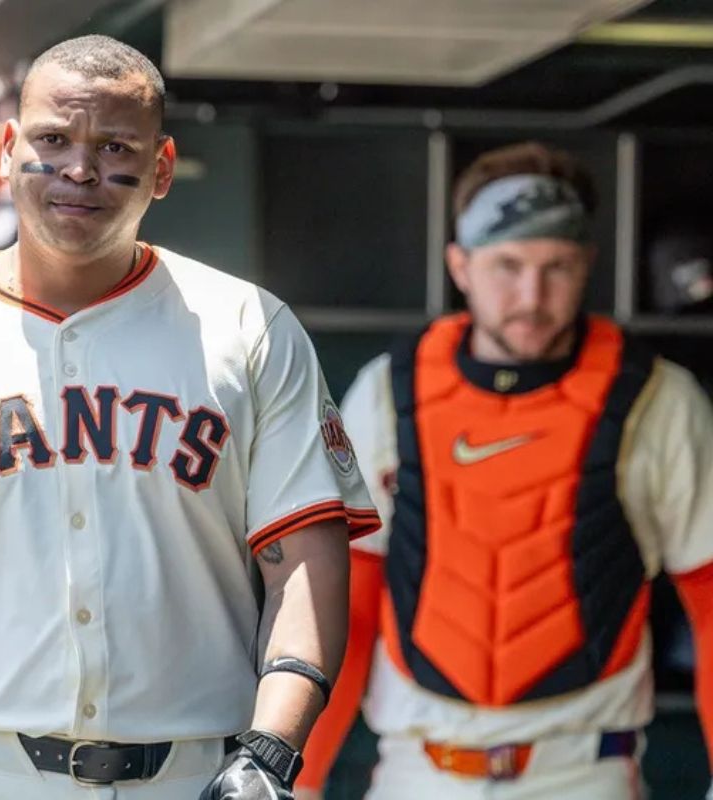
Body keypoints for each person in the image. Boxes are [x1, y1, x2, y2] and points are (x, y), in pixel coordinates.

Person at [0, 34, 379, 800]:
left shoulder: (248, 328)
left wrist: (274, 747)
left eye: (115, 145)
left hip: (188, 775)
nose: (80, 169)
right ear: (10, 147)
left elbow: (308, 568)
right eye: (54, 139)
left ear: (163, 167)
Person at [295, 141, 713, 800]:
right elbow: (351, 602)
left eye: (558, 267)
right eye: (508, 264)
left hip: (584, 771)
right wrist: (299, 777)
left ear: (589, 265)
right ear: (459, 264)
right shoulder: (387, 392)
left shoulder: (659, 400)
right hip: (419, 771)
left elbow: (710, 601)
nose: (532, 294)